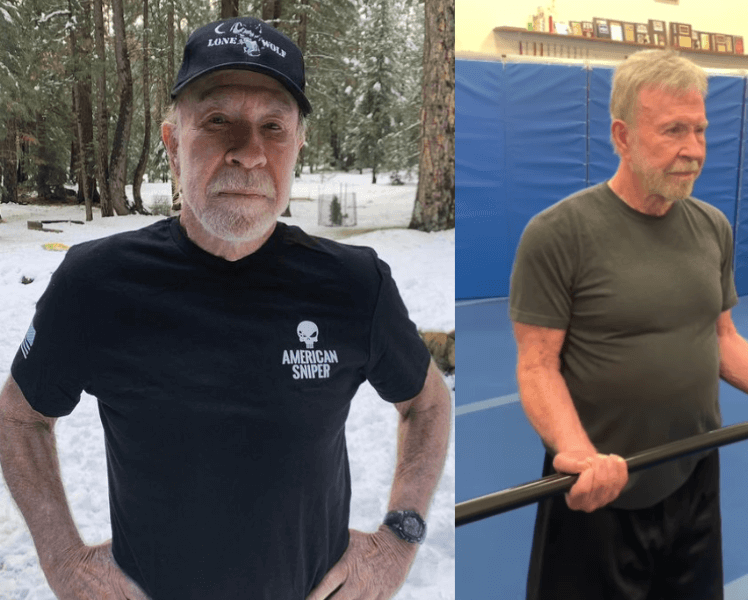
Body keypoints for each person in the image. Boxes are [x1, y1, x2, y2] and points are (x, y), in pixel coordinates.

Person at [0, 16, 450, 600]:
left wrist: (398, 540)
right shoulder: (97, 284)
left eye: (273, 126)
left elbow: (428, 403)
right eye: (218, 122)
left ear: (297, 147)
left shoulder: (355, 284)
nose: (249, 152)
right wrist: (64, 561)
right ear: (173, 141)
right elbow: (19, 416)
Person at [508, 49, 748, 600]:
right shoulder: (557, 234)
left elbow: (722, 338)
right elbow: (536, 363)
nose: (693, 151)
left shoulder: (712, 227)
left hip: (692, 476)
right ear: (622, 137)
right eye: (673, 131)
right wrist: (577, 452)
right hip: (600, 484)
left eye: (699, 130)